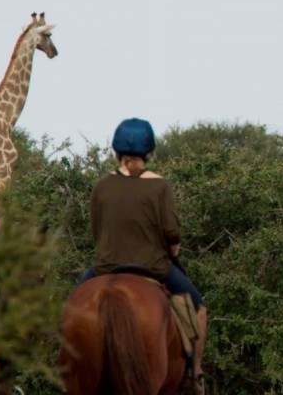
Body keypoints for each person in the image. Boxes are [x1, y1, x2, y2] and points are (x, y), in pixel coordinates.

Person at [77, 118, 207, 395]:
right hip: (154, 268)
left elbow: (97, 231)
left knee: (72, 306)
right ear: (149, 153)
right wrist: (173, 250)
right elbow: (172, 235)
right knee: (198, 307)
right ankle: (193, 375)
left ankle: (63, 365)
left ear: (116, 152)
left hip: (105, 267)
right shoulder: (160, 187)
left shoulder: (102, 186)